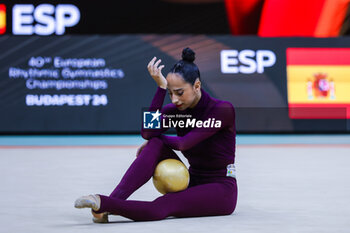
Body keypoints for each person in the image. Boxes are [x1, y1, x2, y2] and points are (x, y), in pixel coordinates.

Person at [74, 47, 238, 223]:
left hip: (221, 189)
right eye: (170, 93)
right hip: (191, 181)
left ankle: (104, 203)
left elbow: (184, 143)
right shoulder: (175, 110)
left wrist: (157, 138)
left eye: (180, 92)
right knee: (155, 144)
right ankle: (111, 203)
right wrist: (160, 88)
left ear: (197, 86)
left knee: (166, 203)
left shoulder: (222, 109)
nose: (174, 99)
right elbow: (147, 132)